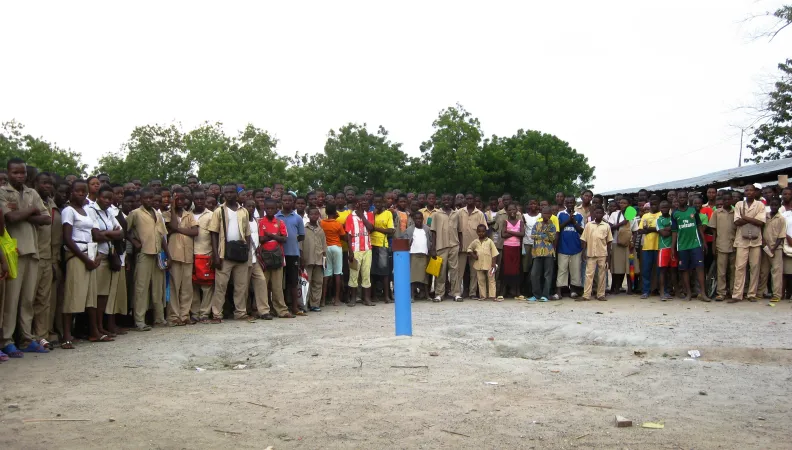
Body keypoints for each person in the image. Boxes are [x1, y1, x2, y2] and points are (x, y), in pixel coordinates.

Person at [1, 158, 51, 357]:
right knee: (11, 300)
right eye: (15, 172)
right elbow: (9, 218)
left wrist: (23, 212)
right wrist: (32, 210)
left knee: (27, 300)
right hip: (13, 251)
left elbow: (47, 219)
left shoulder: (32, 193)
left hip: (33, 250)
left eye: (22, 172)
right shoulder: (3, 192)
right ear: (9, 172)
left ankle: (27, 339)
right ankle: (6, 340)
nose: (19, 176)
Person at [61, 180, 103, 348]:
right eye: (77, 191)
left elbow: (94, 234)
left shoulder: (87, 211)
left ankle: (94, 332)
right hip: (76, 254)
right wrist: (85, 259)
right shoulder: (68, 211)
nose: (81, 194)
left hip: (90, 252)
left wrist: (96, 255)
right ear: (70, 192)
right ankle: (66, 336)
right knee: (73, 295)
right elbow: (67, 238)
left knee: (91, 296)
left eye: (83, 191)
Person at [127, 187, 170, 330]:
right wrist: (134, 242)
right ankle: (139, 320)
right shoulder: (135, 214)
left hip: (158, 254)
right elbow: (124, 230)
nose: (149, 200)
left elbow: (162, 236)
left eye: (151, 198)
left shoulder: (158, 215)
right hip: (144, 254)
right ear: (141, 199)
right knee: (141, 288)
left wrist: (168, 255)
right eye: (146, 198)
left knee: (158, 288)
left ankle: (159, 318)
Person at [208, 183, 251, 321]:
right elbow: (213, 233)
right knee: (221, 285)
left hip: (241, 252)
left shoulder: (243, 211)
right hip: (224, 253)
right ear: (223, 194)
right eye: (226, 192)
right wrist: (216, 255)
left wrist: (247, 250)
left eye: (232, 192)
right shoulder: (218, 211)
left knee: (241, 285)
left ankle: (240, 312)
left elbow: (247, 233)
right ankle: (217, 313)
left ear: (237, 194)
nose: (229, 195)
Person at [88, 186, 124, 337]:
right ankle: (93, 329)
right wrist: (112, 234)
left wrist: (107, 233)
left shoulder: (109, 212)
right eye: (105, 198)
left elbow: (121, 232)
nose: (109, 201)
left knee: (103, 295)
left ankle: (101, 326)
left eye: (110, 198)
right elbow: (96, 235)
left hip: (108, 255)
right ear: (98, 197)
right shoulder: (91, 210)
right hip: (97, 255)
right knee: (95, 294)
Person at [164, 187, 198, 326]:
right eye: (177, 198)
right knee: (174, 286)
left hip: (188, 255)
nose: (180, 201)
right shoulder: (167, 214)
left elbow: (195, 232)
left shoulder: (189, 215)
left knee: (187, 287)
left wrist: (177, 230)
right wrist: (172, 208)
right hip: (174, 254)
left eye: (182, 199)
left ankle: (185, 315)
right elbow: (170, 225)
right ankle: (173, 316)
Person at [728, 184, 766, 303]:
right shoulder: (739, 204)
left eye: (751, 190)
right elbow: (737, 222)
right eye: (747, 190)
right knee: (739, 267)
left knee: (754, 267)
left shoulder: (760, 205)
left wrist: (745, 217)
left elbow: (760, 222)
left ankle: (751, 294)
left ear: (755, 192)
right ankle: (737, 295)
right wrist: (752, 219)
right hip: (741, 240)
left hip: (755, 240)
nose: (749, 192)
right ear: (744, 192)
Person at [256, 198, 292, 318]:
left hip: (278, 257)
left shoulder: (280, 222)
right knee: (263, 285)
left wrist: (270, 235)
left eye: (272, 208)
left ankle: (281, 310)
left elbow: (285, 239)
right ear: (264, 209)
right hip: (264, 258)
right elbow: (261, 239)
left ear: (277, 209)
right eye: (268, 208)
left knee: (277, 286)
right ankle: (264, 310)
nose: (270, 210)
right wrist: (277, 236)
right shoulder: (261, 222)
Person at [671, 191, 708, 301]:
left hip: (695, 244)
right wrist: (673, 248)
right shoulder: (674, 213)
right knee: (684, 270)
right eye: (680, 197)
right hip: (682, 246)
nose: (682, 199)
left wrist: (704, 242)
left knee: (700, 268)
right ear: (677, 199)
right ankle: (688, 294)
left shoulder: (693, 210)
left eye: (684, 197)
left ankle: (703, 293)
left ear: (687, 198)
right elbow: (674, 231)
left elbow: (699, 226)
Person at [275, 192, 306, 315]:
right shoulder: (276, 217)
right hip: (279, 253)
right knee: (279, 282)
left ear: (293, 202)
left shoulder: (297, 218)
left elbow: (302, 236)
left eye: (289, 200)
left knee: (293, 282)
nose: (287, 202)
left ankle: (294, 307)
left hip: (293, 253)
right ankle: (280, 307)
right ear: (281, 202)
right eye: (285, 200)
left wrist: (292, 241)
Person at [430, 193, 461, 302]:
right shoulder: (436, 214)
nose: (446, 201)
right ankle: (439, 294)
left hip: (454, 245)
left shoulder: (456, 214)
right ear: (441, 201)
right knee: (441, 271)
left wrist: (460, 245)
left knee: (454, 270)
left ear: (452, 200)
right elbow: (433, 232)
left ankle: (456, 293)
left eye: (448, 199)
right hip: (441, 246)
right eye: (444, 199)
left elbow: (459, 231)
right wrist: (433, 248)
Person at [345, 195, 375, 306]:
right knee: (354, 274)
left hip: (367, 249)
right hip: (355, 250)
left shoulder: (370, 215)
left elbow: (371, 228)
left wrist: (362, 216)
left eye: (366, 201)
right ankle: (353, 298)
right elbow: (348, 235)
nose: (363, 202)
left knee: (366, 273)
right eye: (361, 200)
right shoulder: (350, 217)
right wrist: (350, 252)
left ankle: (366, 299)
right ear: (357, 203)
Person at [190, 190, 215, 322]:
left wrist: (214, 255)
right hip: (190, 255)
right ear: (193, 200)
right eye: (196, 199)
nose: (199, 201)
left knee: (207, 285)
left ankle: (204, 313)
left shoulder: (211, 215)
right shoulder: (187, 215)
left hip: (206, 254)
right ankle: (194, 313)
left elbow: (215, 236)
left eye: (201, 199)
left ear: (205, 199)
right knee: (193, 285)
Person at [457, 193, 487, 299]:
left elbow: (484, 229)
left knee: (474, 272)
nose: (469, 200)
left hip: (475, 248)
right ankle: (457, 292)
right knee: (459, 271)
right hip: (461, 246)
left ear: (475, 200)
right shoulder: (460, 212)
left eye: (471, 198)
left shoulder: (479, 214)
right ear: (465, 200)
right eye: (467, 198)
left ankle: (472, 292)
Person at [554, 196, 584, 300]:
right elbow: (558, 228)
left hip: (576, 247)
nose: (570, 204)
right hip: (563, 247)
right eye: (568, 202)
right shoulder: (560, 214)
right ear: (565, 203)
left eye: (572, 202)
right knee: (562, 269)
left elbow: (581, 231)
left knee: (575, 270)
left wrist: (574, 222)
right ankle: (559, 292)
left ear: (575, 203)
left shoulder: (579, 215)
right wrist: (568, 220)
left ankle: (573, 291)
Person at [581, 205, 612, 301]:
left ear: (603, 214)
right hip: (590, 253)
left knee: (602, 275)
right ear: (593, 214)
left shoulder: (606, 226)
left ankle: (601, 295)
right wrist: (583, 252)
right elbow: (584, 239)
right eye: (596, 213)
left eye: (600, 213)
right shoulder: (589, 225)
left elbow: (609, 241)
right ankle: (586, 295)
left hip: (602, 253)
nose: (598, 214)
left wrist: (609, 256)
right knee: (589, 274)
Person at [708, 194, 736, 301]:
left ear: (732, 200)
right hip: (721, 245)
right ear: (721, 201)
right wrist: (714, 246)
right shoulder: (717, 213)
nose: (727, 201)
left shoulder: (736, 212)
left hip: (734, 245)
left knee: (733, 270)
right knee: (721, 271)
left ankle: (733, 291)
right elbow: (713, 232)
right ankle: (721, 292)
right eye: (725, 199)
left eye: (729, 199)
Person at [759, 197, 785, 302]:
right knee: (763, 271)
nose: (774, 207)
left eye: (776, 205)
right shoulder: (765, 216)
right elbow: (761, 229)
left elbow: (781, 236)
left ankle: (777, 294)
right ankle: (760, 292)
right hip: (765, 247)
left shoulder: (781, 219)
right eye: (772, 205)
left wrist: (773, 248)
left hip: (776, 248)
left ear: (779, 206)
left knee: (776, 272)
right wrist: (764, 244)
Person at [320, 204, 347, 306]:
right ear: (335, 212)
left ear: (326, 212)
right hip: (336, 247)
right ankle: (336, 299)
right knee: (338, 273)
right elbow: (343, 237)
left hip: (326, 248)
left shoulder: (322, 223)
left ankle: (323, 300)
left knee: (326, 274)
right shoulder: (337, 224)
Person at [370, 193, 395, 303]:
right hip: (371, 244)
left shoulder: (388, 213)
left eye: (379, 202)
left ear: (383, 203)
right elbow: (368, 228)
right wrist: (372, 217)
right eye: (376, 202)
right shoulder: (371, 214)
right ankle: (374, 296)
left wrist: (375, 228)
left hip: (383, 245)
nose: (377, 204)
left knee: (385, 272)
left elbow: (391, 230)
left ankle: (386, 296)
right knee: (373, 272)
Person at [528, 206, 556, 302]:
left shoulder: (552, 225)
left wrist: (540, 235)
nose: (546, 215)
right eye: (544, 213)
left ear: (551, 215)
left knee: (547, 275)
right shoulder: (537, 224)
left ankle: (545, 295)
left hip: (548, 253)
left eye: (548, 213)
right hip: (537, 252)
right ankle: (536, 295)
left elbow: (552, 238)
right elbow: (532, 235)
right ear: (541, 214)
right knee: (534, 274)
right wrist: (544, 236)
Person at [302, 207, 327, 312]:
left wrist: (324, 259)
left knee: (318, 282)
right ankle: (304, 304)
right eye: (312, 214)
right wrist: (301, 258)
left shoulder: (320, 229)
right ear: (308, 215)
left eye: (316, 214)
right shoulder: (304, 229)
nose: (314, 216)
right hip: (307, 259)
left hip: (319, 259)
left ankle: (315, 304)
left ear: (318, 216)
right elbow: (301, 244)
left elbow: (324, 245)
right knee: (306, 282)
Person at [467, 224, 499, 301]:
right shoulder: (475, 242)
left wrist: (493, 263)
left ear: (486, 232)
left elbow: (494, 252)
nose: (481, 233)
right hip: (479, 264)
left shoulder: (489, 241)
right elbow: (469, 249)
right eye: (479, 232)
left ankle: (492, 296)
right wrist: (474, 255)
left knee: (491, 280)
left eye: (483, 232)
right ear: (477, 232)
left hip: (489, 264)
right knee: (481, 280)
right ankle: (483, 296)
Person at [637, 199, 662, 299]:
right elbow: (640, 230)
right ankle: (645, 291)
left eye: (656, 204)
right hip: (647, 246)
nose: (654, 206)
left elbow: (664, 229)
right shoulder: (645, 216)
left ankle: (661, 290)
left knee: (661, 270)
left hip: (660, 246)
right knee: (646, 270)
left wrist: (649, 229)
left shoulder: (662, 215)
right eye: (653, 204)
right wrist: (656, 229)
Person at [404, 211, 431, 300]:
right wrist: (408, 243)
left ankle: (427, 295)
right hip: (413, 254)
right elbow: (405, 241)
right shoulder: (410, 229)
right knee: (413, 277)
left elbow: (430, 240)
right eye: (416, 219)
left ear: (423, 219)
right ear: (414, 219)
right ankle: (412, 296)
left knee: (425, 277)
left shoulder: (426, 229)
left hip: (424, 255)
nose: (418, 220)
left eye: (420, 219)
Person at [608, 198, 632, 295]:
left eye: (624, 202)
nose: (622, 204)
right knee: (617, 267)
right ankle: (616, 287)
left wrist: (633, 242)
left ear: (628, 204)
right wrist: (622, 223)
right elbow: (610, 227)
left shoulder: (631, 214)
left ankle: (630, 288)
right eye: (620, 203)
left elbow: (634, 230)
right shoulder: (614, 214)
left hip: (629, 244)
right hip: (616, 242)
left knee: (630, 267)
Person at [500, 202, 524, 298]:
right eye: (509, 210)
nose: (512, 211)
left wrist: (509, 231)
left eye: (513, 209)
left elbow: (522, 234)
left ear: (517, 210)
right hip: (507, 247)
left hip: (516, 247)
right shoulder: (505, 222)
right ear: (507, 212)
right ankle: (503, 292)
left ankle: (517, 292)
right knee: (506, 269)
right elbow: (503, 235)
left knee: (516, 269)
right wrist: (516, 233)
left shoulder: (520, 222)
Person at [522, 199, 540, 296]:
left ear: (537, 205)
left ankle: (535, 289)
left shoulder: (540, 215)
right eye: (531, 203)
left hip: (538, 244)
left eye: (535, 203)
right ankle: (526, 290)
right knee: (526, 267)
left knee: (536, 268)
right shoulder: (524, 216)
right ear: (528, 205)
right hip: (526, 243)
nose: (533, 205)